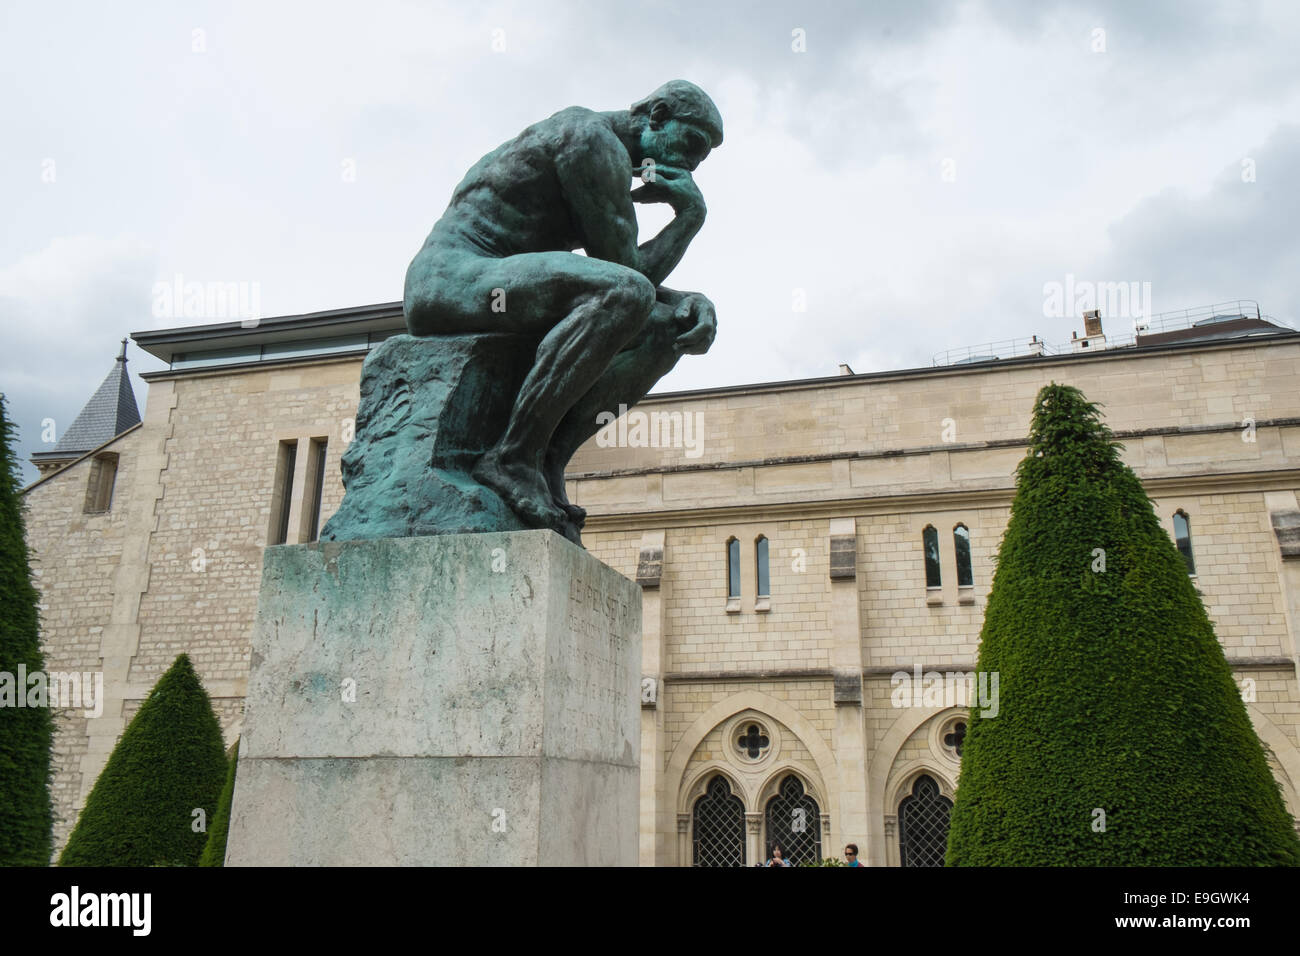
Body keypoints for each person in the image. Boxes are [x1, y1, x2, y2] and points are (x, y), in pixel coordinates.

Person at [403, 80, 722, 543]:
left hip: (503, 279)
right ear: (655, 115)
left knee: (667, 329)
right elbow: (627, 275)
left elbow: (620, 275)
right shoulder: (591, 139)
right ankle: (512, 458)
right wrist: (689, 219)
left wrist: (687, 303)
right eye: (691, 142)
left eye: (704, 156)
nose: (693, 163)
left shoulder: (609, 156)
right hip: (450, 278)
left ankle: (546, 459)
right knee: (627, 295)